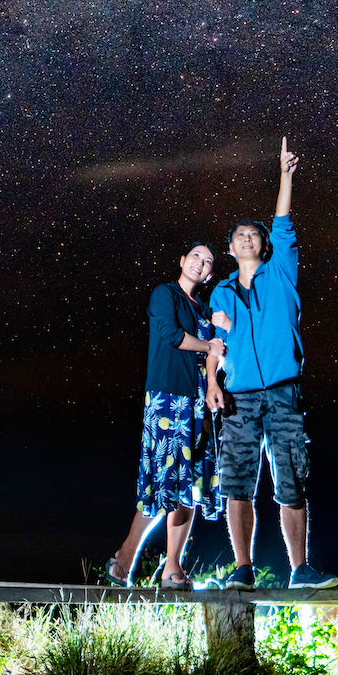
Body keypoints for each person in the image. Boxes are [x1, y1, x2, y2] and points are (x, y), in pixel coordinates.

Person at [206, 137, 338, 590]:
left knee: (292, 477)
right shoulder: (221, 293)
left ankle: (299, 569)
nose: (247, 237)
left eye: (254, 234)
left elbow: (283, 222)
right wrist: (212, 384)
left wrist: (284, 175)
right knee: (236, 481)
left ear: (264, 246)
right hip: (238, 397)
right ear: (230, 249)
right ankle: (243, 569)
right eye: (239, 235)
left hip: (283, 389)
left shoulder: (282, 270)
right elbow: (216, 345)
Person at [106, 242, 227, 589]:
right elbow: (171, 335)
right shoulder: (166, 294)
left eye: (207, 262)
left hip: (197, 405)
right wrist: (209, 345)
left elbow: (214, 358)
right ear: (182, 260)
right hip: (166, 399)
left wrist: (212, 385)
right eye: (195, 257)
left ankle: (172, 568)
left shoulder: (205, 308)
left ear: (210, 274)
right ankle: (126, 555)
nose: (200, 263)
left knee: (190, 486)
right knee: (164, 482)